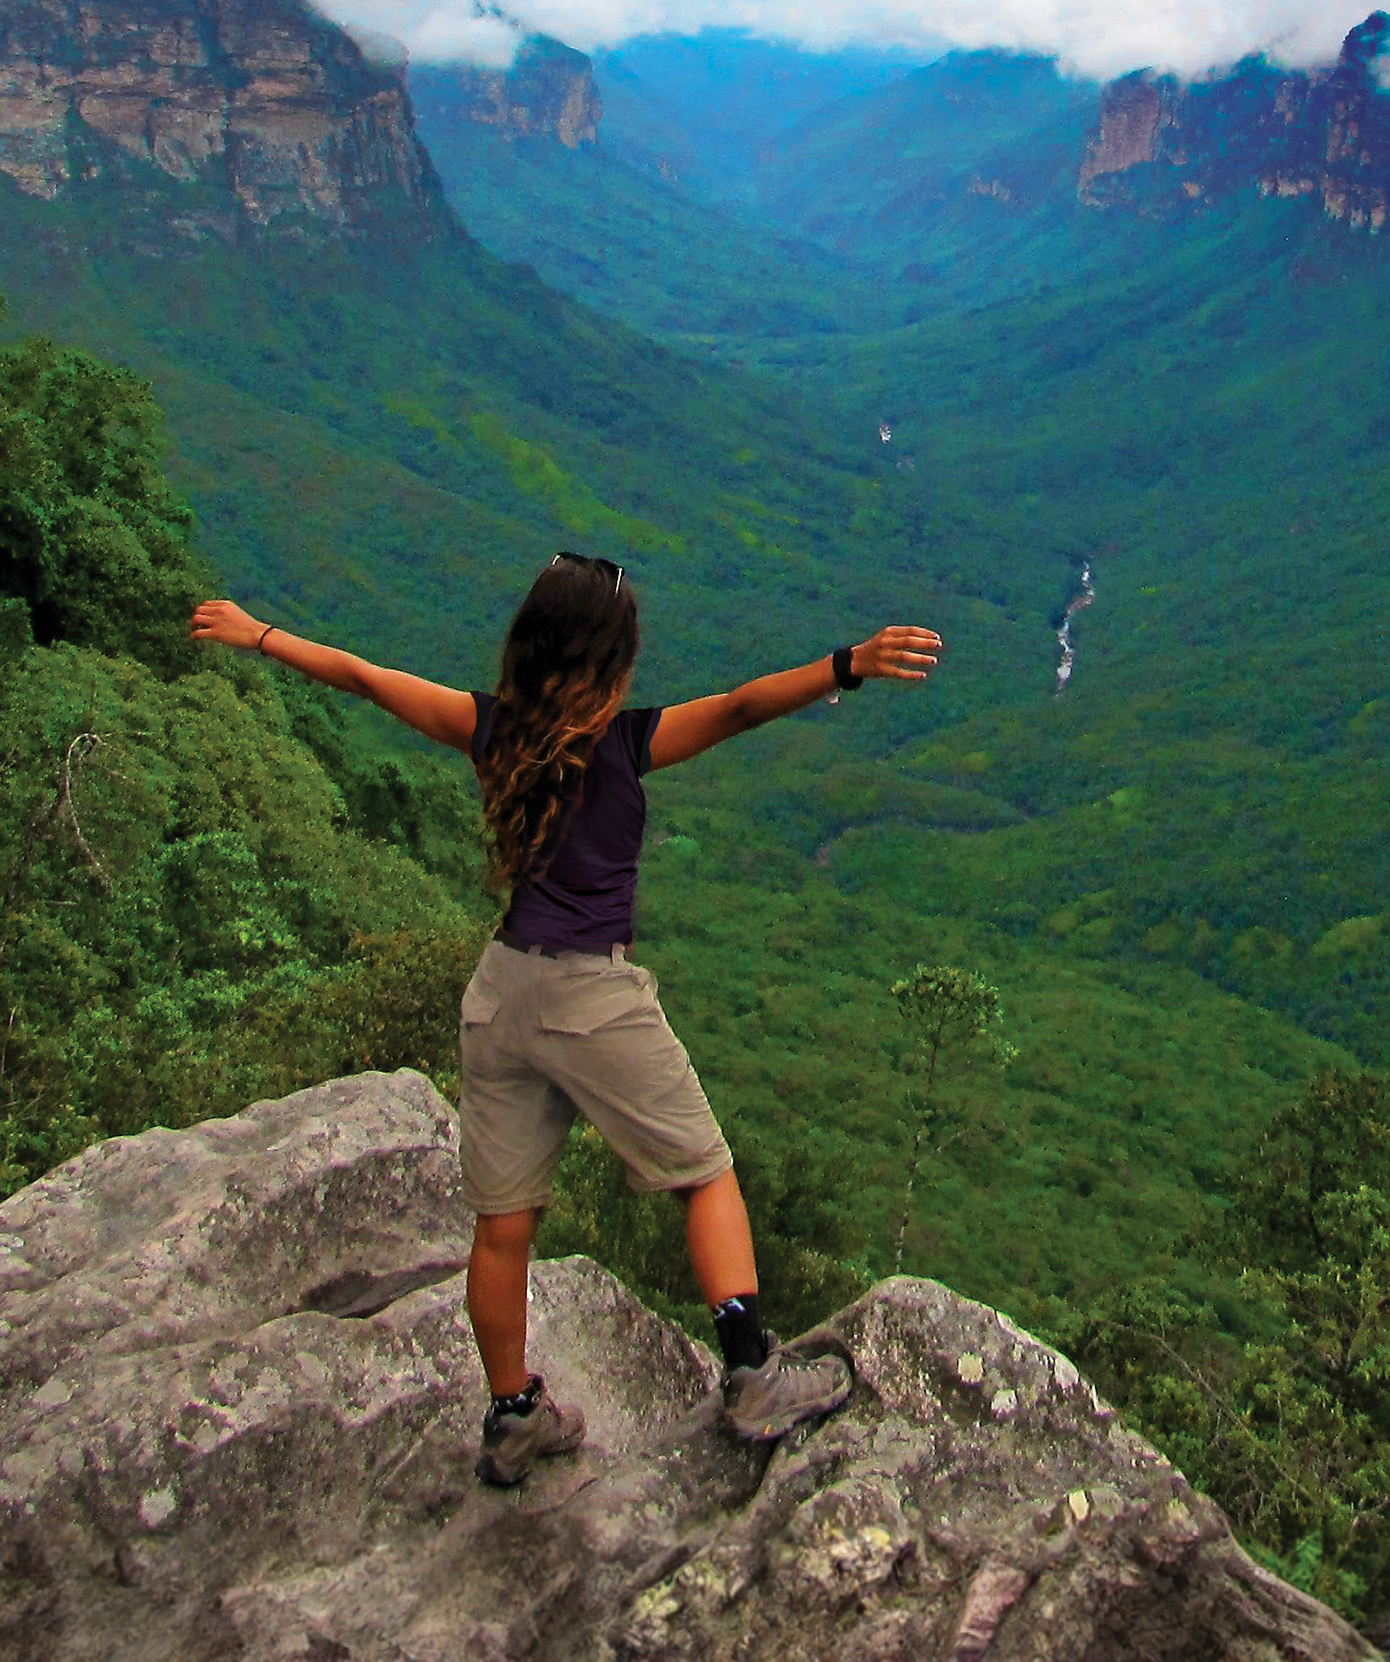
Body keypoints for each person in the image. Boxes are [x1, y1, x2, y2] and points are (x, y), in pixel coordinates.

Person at [189, 553, 943, 1488]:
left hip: (500, 996)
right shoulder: (628, 742)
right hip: (594, 998)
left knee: (503, 1225)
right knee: (705, 1174)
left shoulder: (484, 728)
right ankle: (751, 1373)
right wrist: (846, 663)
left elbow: (360, 675)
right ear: (614, 664)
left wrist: (256, 633)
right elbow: (744, 703)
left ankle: (512, 1418)